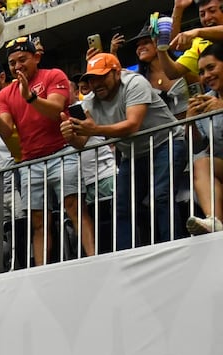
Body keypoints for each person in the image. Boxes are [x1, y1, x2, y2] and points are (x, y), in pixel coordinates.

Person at [0, 36, 96, 266]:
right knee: (37, 220)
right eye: (13, 62)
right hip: (30, 162)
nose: (17, 66)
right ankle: (42, 268)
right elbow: (6, 131)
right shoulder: (5, 94)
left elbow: (56, 110)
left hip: (61, 152)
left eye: (22, 59)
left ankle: (94, 258)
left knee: (74, 207)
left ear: (37, 57)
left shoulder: (54, 75)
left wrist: (31, 97)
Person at [62, 52, 182, 249]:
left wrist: (96, 129)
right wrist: (70, 135)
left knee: (161, 195)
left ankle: (173, 247)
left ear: (117, 73)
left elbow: (132, 125)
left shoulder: (135, 83)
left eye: (102, 77)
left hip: (166, 142)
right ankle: (126, 255)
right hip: (133, 154)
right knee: (122, 205)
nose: (96, 84)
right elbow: (81, 143)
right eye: (91, 79)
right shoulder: (90, 102)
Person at [186, 42, 223, 234]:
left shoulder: (215, 102)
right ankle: (214, 222)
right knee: (200, 163)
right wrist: (190, 121)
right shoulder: (206, 99)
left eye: (211, 67)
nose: (206, 76)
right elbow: (197, 146)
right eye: (201, 72)